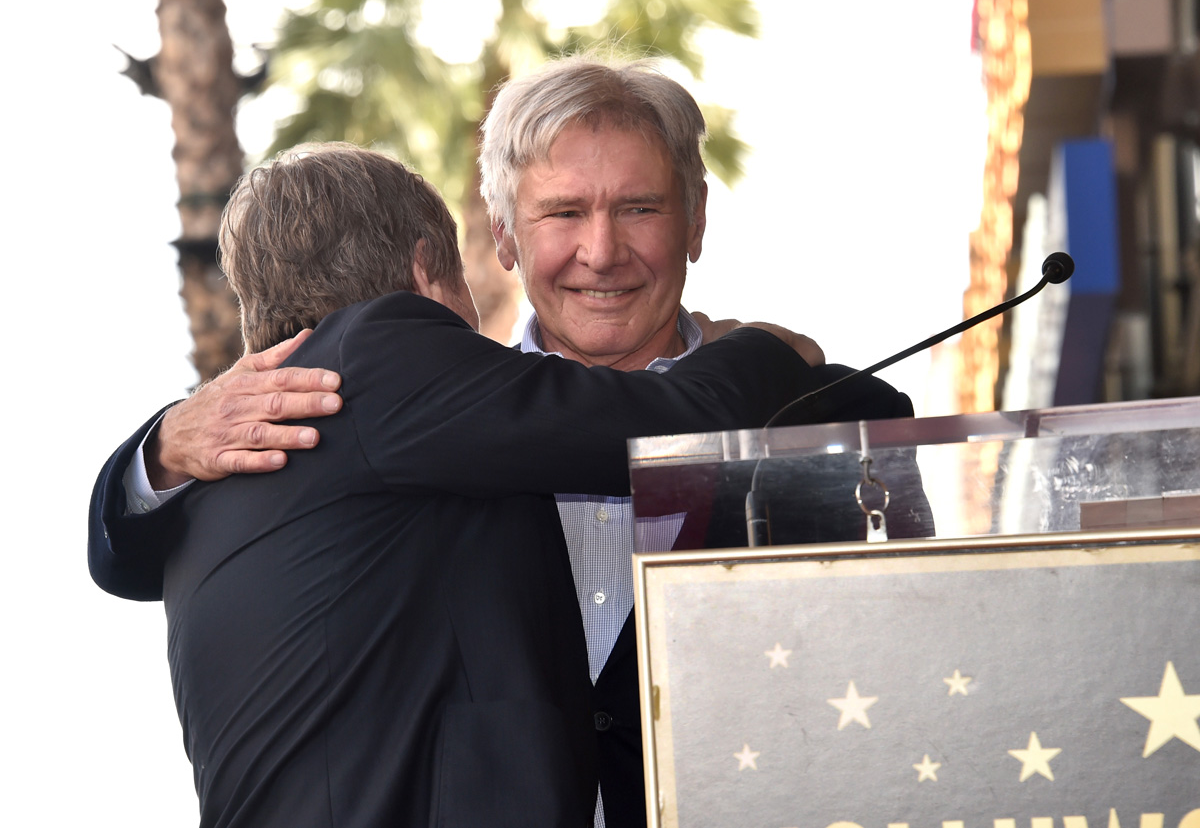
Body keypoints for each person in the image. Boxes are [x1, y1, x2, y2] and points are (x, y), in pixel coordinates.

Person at [91, 56, 917, 827]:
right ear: (501, 236)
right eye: (563, 211)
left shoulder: (826, 415)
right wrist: (159, 446)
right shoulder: (386, 400)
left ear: (695, 218)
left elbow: (908, 651)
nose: (602, 250)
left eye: (639, 207)